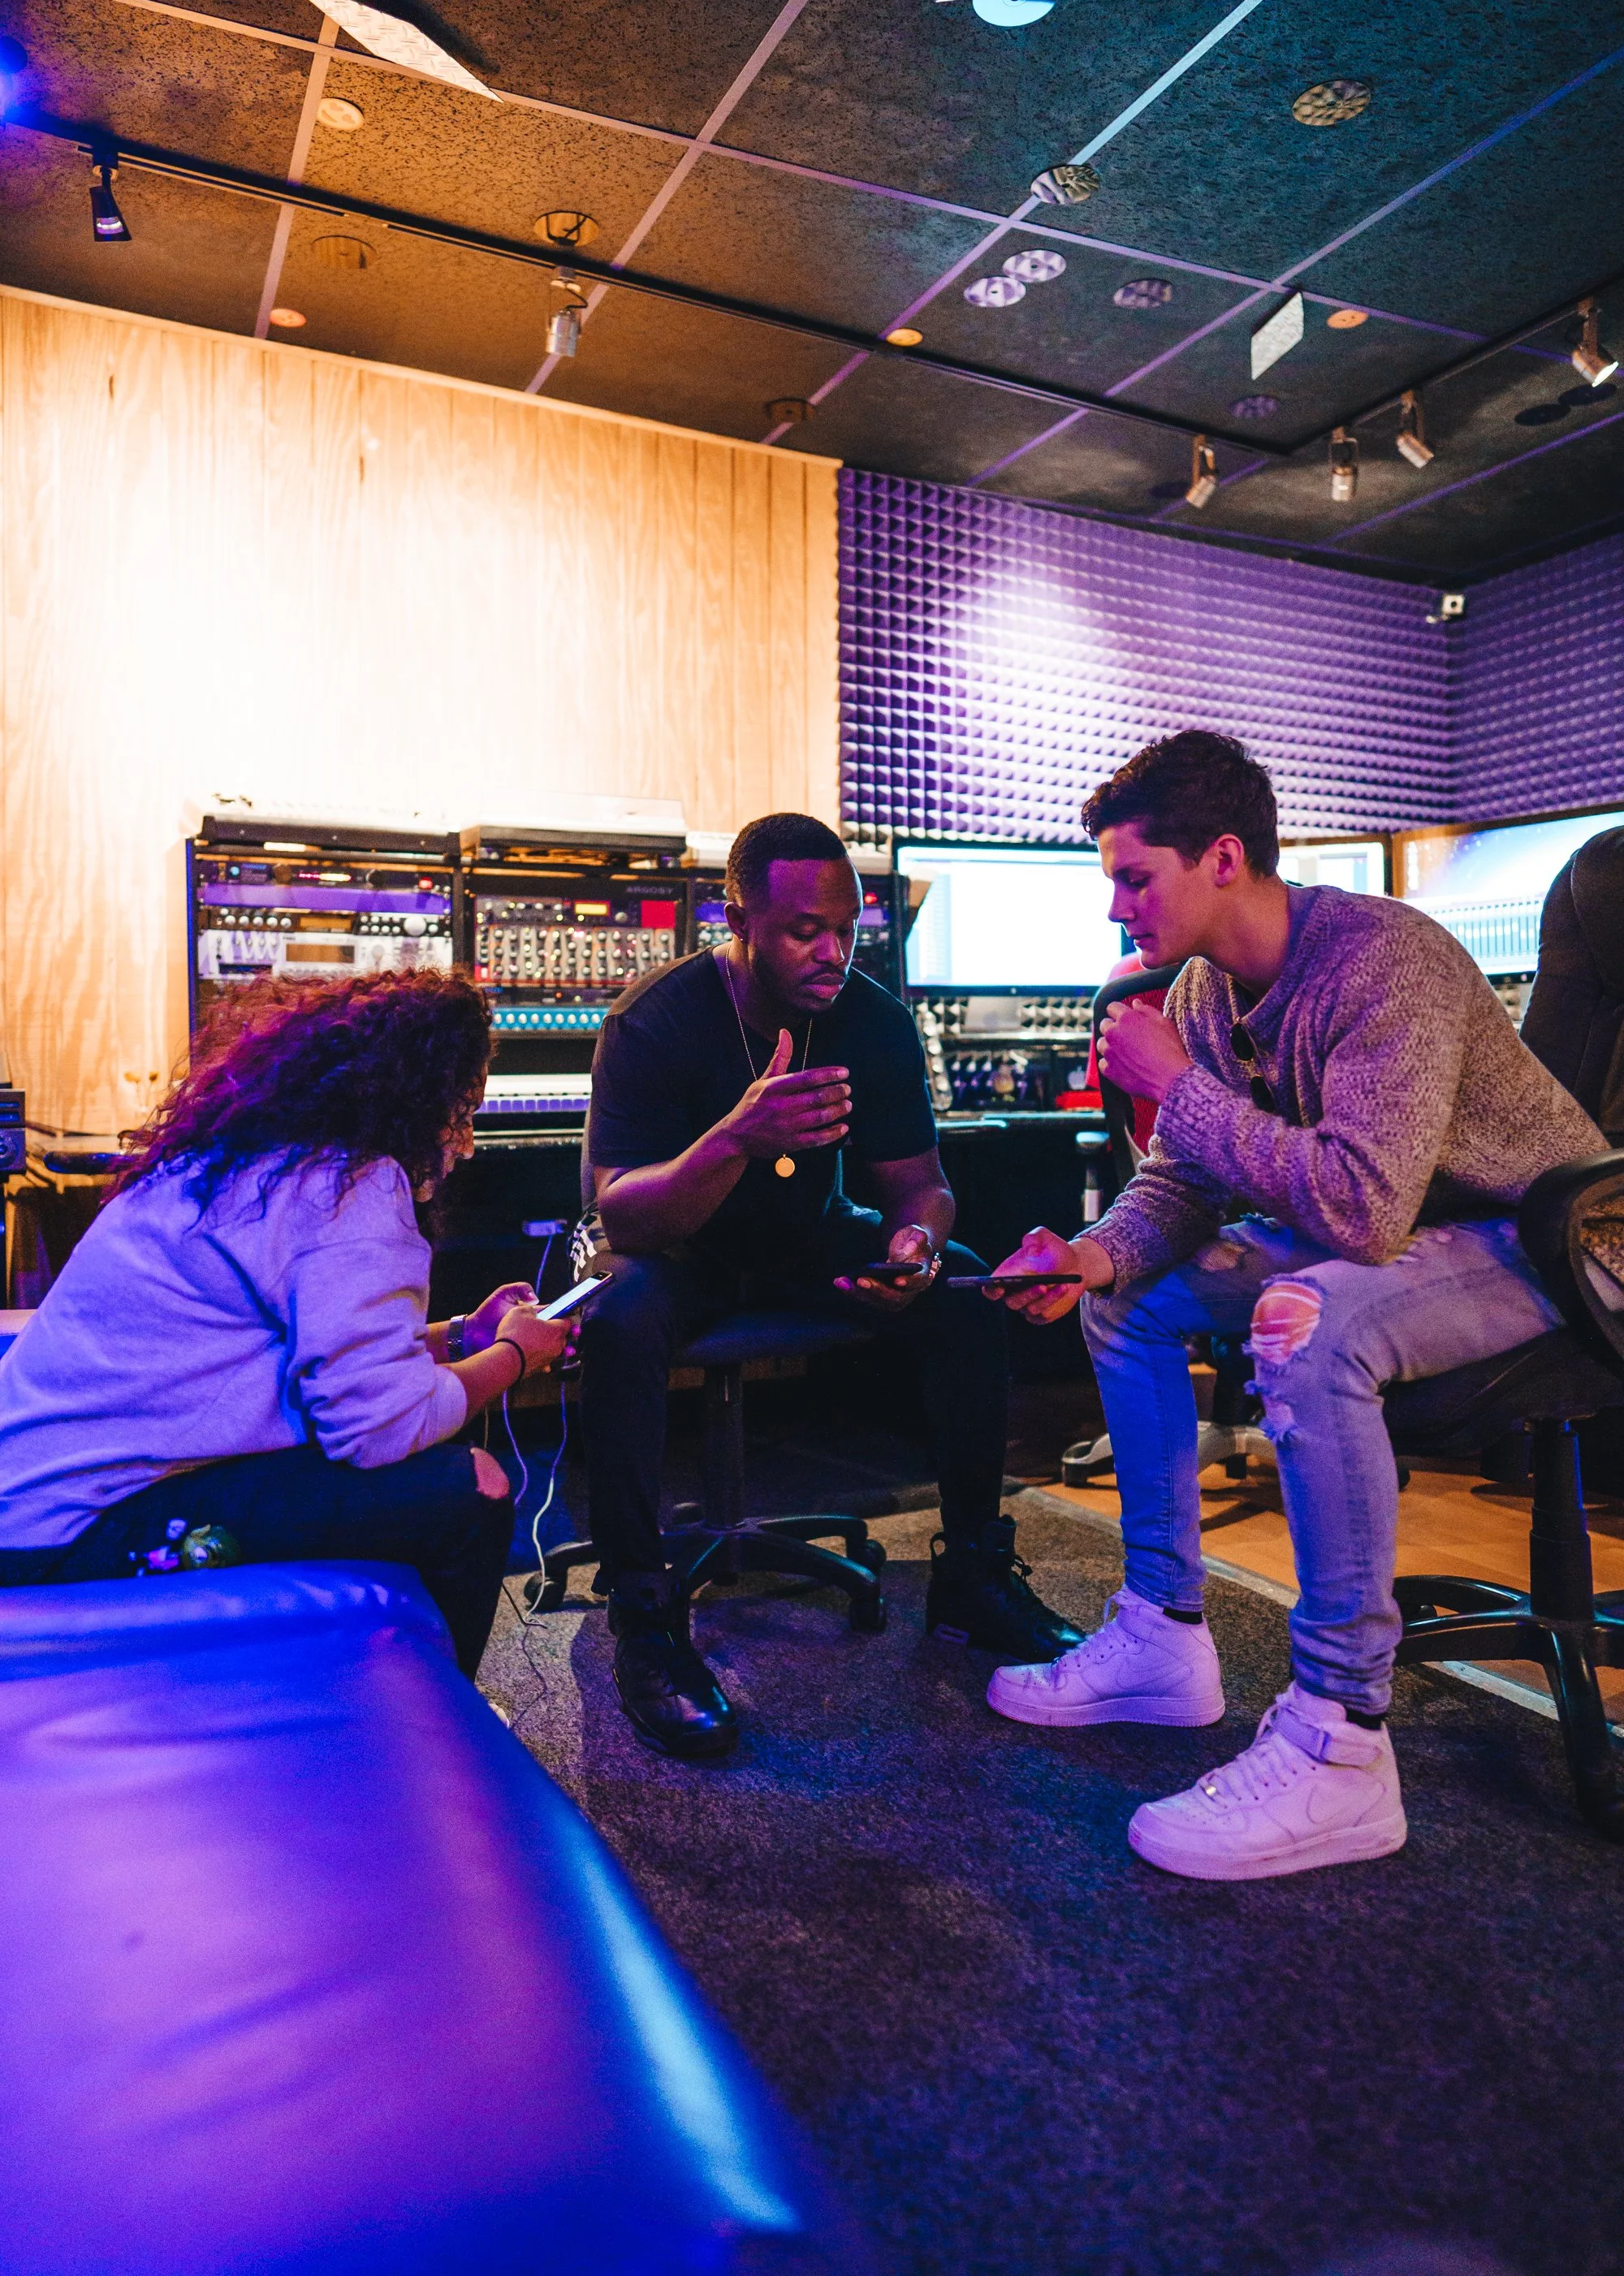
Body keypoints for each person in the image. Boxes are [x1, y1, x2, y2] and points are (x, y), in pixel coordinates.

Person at [986, 731, 1605, 1881]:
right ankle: (1164, 1634)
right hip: (1417, 1234)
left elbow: (1362, 1213)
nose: (1116, 908)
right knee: (1131, 1305)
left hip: (1559, 1243)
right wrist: (1091, 1254)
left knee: (1306, 1321)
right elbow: (1186, 1179)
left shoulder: (1386, 962)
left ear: (1222, 858)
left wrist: (1175, 1083)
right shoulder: (1205, 990)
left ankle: (1340, 1743)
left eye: (1134, 878)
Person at [578, 810, 1083, 1760]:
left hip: (807, 1240)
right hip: (679, 1255)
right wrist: (735, 1136)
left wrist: (914, 1246)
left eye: (845, 928)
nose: (831, 952)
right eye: (802, 931)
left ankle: (971, 1574)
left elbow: (919, 1182)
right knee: (618, 1319)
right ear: (737, 918)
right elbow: (623, 1218)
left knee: (964, 1289)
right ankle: (643, 1614)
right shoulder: (654, 1020)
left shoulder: (871, 1020)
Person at [0, 970, 573, 1678]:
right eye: (460, 1111)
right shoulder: (349, 1187)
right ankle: (427, 1730)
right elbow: (376, 1429)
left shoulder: (244, 1162)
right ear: (414, 1097)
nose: (467, 1141)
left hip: (27, 1508)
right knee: (473, 1487)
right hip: (70, 1537)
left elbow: (308, 1358)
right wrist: (517, 1355)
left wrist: (461, 1336)